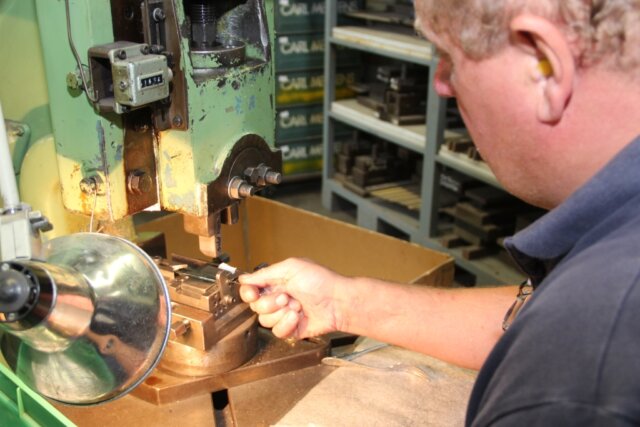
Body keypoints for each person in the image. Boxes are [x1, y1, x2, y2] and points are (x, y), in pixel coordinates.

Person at [240, 0, 640, 424]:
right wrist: (341, 304)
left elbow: (566, 334)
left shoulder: (578, 387)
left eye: (449, 56)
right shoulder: (603, 258)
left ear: (545, 64)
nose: (441, 84)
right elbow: (538, 317)